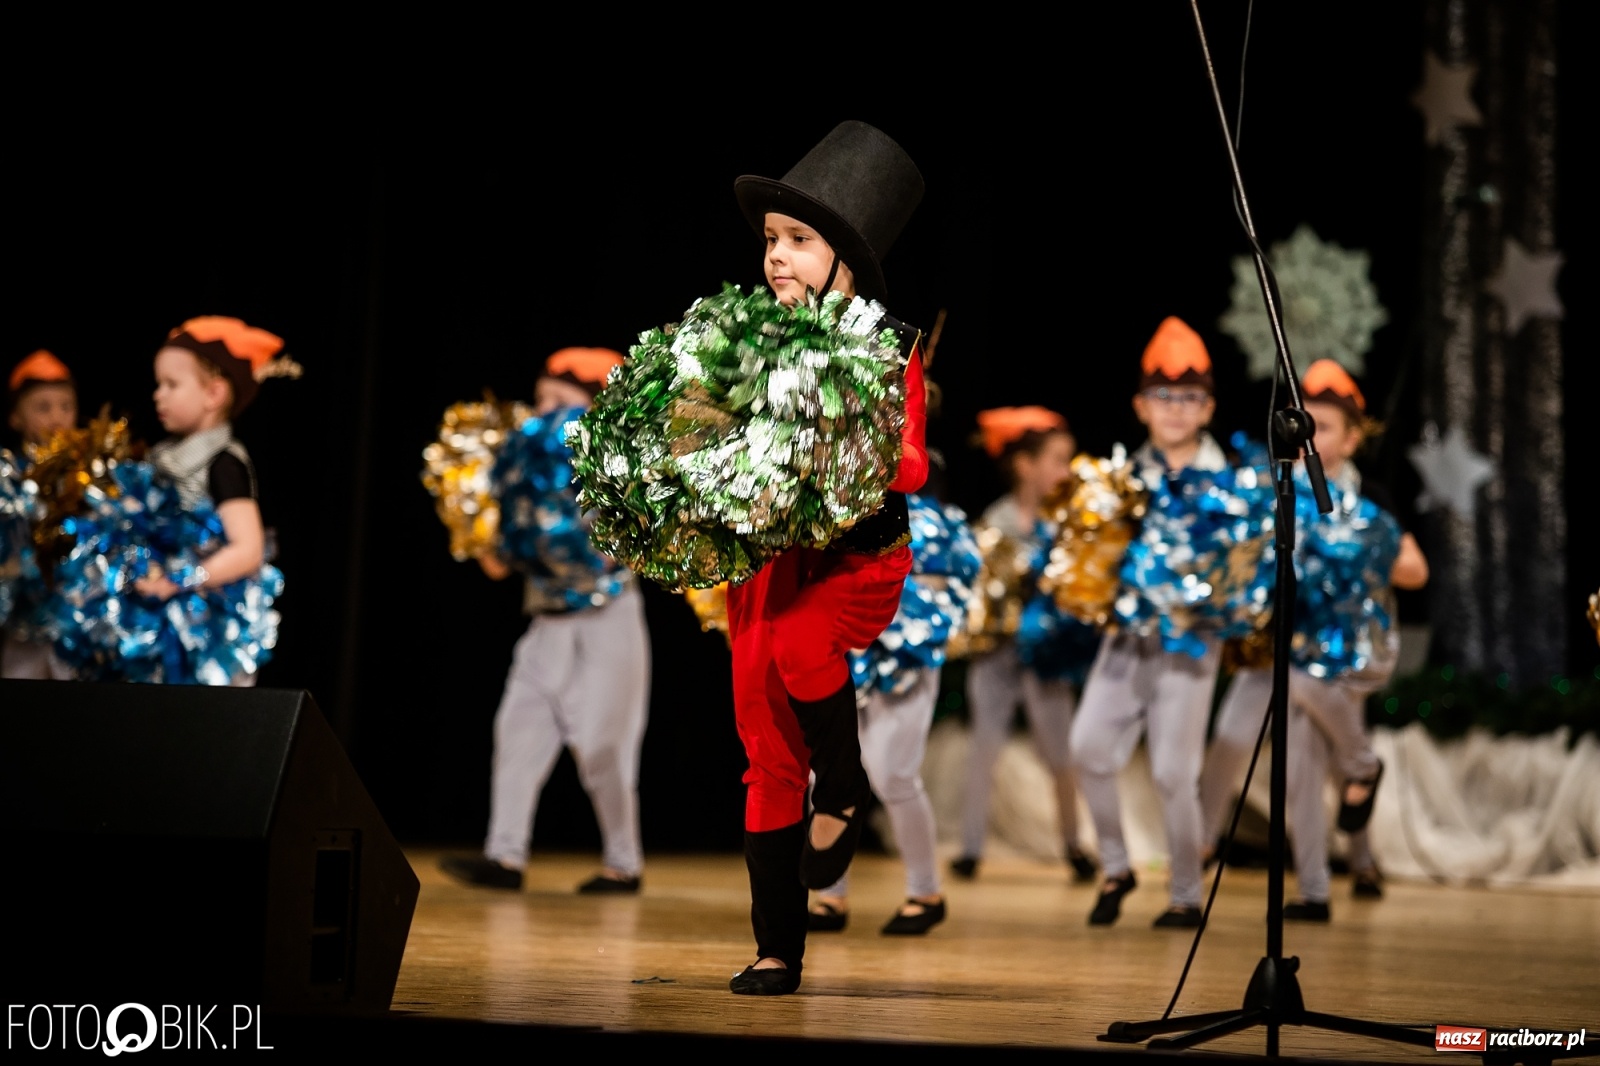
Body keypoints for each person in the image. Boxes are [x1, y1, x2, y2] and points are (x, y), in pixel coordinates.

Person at [723, 121, 927, 994]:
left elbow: (909, 462)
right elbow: (700, 437)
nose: (776, 257)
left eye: (799, 241)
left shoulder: (889, 350)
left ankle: (842, 784)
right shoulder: (735, 338)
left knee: (803, 647)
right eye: (771, 239)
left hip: (854, 565)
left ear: (845, 257)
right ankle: (777, 949)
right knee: (764, 744)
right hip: (767, 567)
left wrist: (839, 434)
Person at [1199, 359, 1428, 917]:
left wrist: (1354, 550)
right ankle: (1309, 885)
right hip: (1279, 645)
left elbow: (1415, 570)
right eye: (1302, 425)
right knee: (1281, 757)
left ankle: (1356, 861)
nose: (1309, 438)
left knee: (1323, 757)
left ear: (1352, 438)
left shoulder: (1369, 501)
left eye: (1323, 427)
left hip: (1341, 647)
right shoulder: (1276, 490)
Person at [1069, 316, 1267, 928]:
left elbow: (1248, 573)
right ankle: (1114, 865)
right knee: (1087, 747)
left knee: (1173, 772)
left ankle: (1185, 893)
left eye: (1188, 398)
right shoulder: (1121, 478)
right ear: (1140, 405)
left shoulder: (1236, 482)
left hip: (1191, 645)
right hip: (1128, 639)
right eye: (1163, 397)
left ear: (1207, 407)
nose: (1175, 409)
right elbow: (1091, 557)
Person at [439, 348, 653, 897]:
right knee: (517, 730)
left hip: (608, 618)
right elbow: (495, 565)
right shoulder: (525, 468)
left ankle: (622, 864)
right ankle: (504, 857)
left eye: (560, 401)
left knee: (604, 746)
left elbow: (614, 551)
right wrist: (475, 514)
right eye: (540, 400)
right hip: (545, 622)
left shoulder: (621, 467)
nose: (544, 413)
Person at [808, 454, 978, 937]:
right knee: (828, 772)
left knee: (893, 774)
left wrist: (897, 629)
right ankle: (829, 895)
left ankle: (926, 892)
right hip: (845, 652)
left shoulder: (939, 521)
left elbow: (953, 587)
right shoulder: (844, 504)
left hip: (907, 661)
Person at [949, 406, 1098, 884]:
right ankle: (970, 847)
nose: (1064, 471)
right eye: (1056, 460)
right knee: (984, 746)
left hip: (1046, 654)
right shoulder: (996, 523)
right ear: (1024, 465)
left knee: (1060, 750)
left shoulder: (1070, 522)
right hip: (999, 652)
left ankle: (1074, 842)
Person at [131, 317, 296, 686]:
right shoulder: (161, 458)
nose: (159, 394)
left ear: (214, 394)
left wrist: (181, 581)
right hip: (161, 628)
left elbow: (249, 549)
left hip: (208, 636)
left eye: (172, 384)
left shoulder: (223, 462)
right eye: (158, 384)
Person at [2, 351, 79, 680]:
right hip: (20, 632)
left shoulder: (89, 479)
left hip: (77, 632)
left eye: (67, 406)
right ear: (16, 417)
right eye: (43, 407)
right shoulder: (7, 480)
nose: (57, 418)